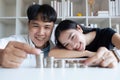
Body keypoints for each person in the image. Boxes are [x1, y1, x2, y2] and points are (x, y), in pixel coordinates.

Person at [0, 4, 57, 68]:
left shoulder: (56, 48)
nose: (41, 33)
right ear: (28, 25)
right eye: (36, 26)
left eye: (47, 27)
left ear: (52, 28)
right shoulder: (16, 41)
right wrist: (1, 55)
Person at [49, 20, 120, 68]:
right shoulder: (69, 48)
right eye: (66, 44)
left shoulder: (106, 33)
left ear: (79, 28)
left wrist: (115, 55)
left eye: (73, 37)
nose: (73, 45)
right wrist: (87, 53)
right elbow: (52, 53)